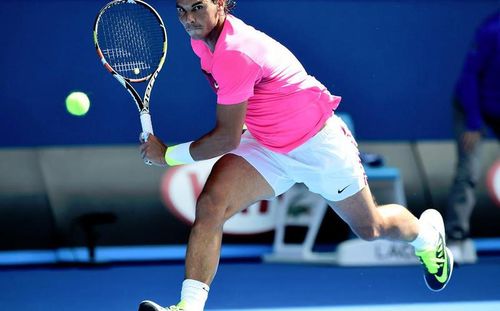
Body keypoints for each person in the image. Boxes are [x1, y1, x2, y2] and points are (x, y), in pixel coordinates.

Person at [139, 1, 454, 310]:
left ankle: (427, 237)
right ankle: (190, 307)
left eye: (197, 8)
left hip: (319, 145)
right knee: (211, 205)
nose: (188, 18)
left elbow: (225, 138)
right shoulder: (203, 45)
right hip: (267, 145)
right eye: (181, 9)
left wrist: (167, 155)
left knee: (370, 229)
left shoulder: (236, 52)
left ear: (221, 4)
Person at [446, 11, 500, 250]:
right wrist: (474, 123)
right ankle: (455, 238)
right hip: (471, 105)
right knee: (469, 171)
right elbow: (470, 77)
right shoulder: (492, 31)